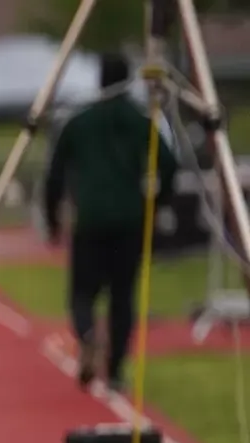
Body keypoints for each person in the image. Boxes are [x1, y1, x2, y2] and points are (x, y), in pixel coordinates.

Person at [44, 53, 175, 392]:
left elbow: (54, 175)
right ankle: (115, 370)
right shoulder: (140, 121)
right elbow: (170, 163)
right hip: (129, 220)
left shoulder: (79, 122)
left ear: (100, 79)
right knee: (122, 296)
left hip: (90, 219)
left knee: (81, 292)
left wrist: (52, 219)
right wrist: (154, 203)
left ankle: (87, 333)